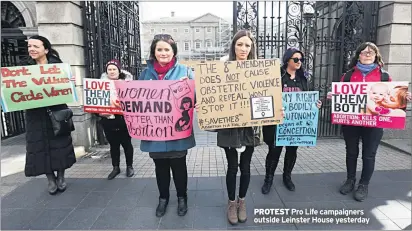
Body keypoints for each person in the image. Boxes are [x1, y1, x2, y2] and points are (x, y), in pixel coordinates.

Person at [327, 42, 411, 201]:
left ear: (376, 55)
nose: (367, 54)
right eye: (364, 52)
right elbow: (342, 98)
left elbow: (391, 98)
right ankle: (350, 180)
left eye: (370, 52)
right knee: (351, 153)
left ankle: (363, 184)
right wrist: (334, 96)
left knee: (369, 155)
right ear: (358, 55)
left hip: (374, 124)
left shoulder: (384, 76)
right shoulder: (348, 75)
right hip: (351, 122)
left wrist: (403, 97)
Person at [196, 30, 258, 225]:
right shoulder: (221, 69)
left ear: (251, 48)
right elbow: (212, 95)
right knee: (232, 167)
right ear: (233, 46)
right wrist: (204, 106)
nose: (243, 49)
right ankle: (231, 203)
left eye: (247, 45)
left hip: (249, 128)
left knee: (246, 168)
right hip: (229, 128)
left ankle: (242, 201)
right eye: (240, 44)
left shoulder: (259, 70)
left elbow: (267, 96)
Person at [138, 34, 195, 217]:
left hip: (178, 132)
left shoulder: (185, 72)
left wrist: (198, 102)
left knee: (179, 167)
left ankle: (182, 198)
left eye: (167, 49)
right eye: (159, 49)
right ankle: (163, 198)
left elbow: (196, 96)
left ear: (174, 52)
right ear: (154, 52)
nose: (163, 53)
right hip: (155, 133)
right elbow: (136, 99)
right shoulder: (145, 74)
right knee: (160, 167)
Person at [261, 48, 322, 195]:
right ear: (287, 60)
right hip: (277, 124)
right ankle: (268, 179)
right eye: (296, 59)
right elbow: (267, 97)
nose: (299, 62)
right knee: (274, 151)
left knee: (292, 151)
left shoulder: (303, 79)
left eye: (301, 59)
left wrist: (315, 104)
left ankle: (287, 177)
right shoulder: (278, 77)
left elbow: (308, 98)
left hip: (296, 125)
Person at [22, 35, 76, 195]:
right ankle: (50, 178)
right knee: (39, 146)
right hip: (35, 114)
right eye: (29, 46)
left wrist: (70, 82)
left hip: (57, 111)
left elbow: (67, 87)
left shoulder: (58, 66)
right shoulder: (24, 67)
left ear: (45, 49)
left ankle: (61, 176)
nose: (31, 49)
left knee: (59, 145)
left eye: (35, 46)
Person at [99, 59, 135, 180]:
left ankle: (130, 166)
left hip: (124, 120)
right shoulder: (100, 85)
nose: (112, 71)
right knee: (113, 145)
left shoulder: (128, 84)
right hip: (108, 120)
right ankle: (115, 167)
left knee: (127, 144)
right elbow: (95, 103)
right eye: (109, 69)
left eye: (114, 69)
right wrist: (99, 113)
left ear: (119, 71)